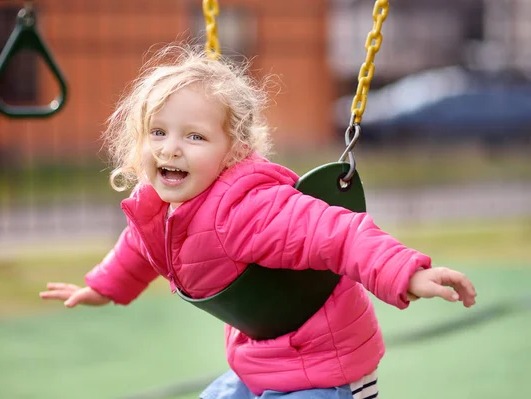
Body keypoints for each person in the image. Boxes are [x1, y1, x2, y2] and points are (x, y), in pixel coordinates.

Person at [40, 44, 477, 399]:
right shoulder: (158, 204)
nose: (170, 149)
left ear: (233, 150)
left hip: (328, 370)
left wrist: (408, 273)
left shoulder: (251, 209)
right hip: (263, 363)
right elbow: (140, 245)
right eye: (158, 132)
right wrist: (103, 287)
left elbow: (339, 232)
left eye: (194, 136)